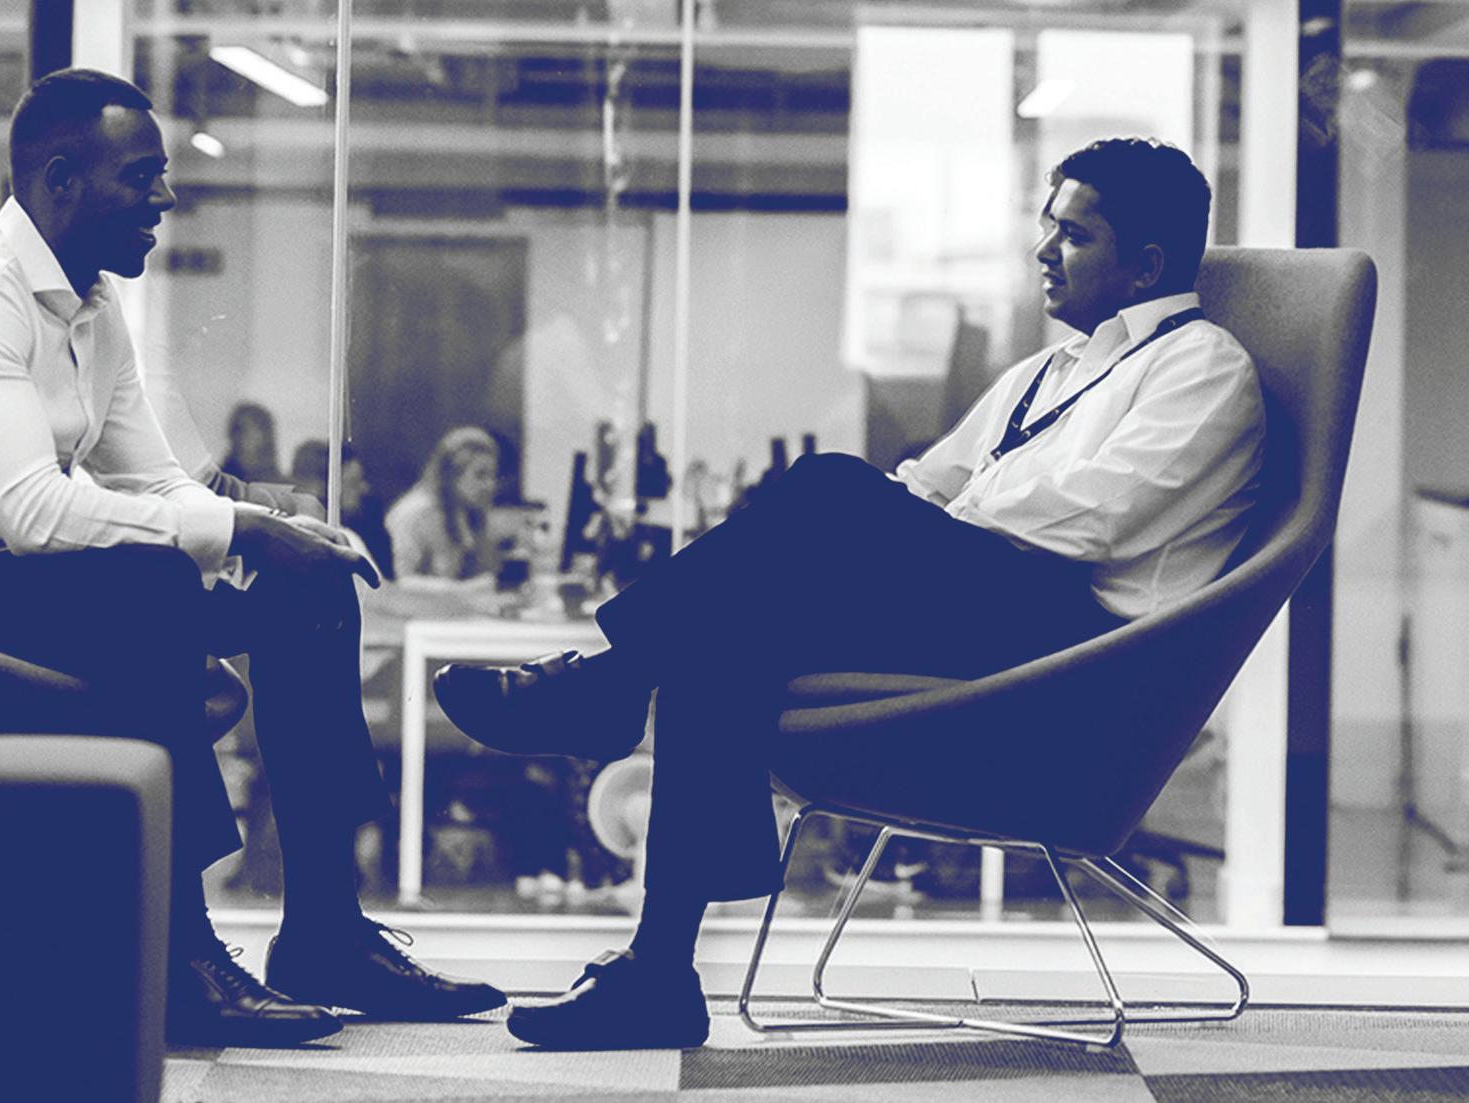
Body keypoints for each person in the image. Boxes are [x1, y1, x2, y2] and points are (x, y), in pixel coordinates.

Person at [434, 137, 1265, 1050]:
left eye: (1074, 235)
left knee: (830, 485)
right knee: (724, 637)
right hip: (996, 606)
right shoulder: (1046, 373)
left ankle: (606, 683)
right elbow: (925, 482)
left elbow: (1092, 520)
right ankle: (660, 970)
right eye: (1047, 228)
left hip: (1079, 649)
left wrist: (921, 517)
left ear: (1146, 264)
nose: (1044, 251)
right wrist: (905, 520)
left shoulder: (1203, 368)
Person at [0, 68, 505, 1048]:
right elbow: (34, 510)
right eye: (141, 176)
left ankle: (326, 930)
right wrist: (236, 530)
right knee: (147, 582)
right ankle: (180, 956)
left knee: (306, 584)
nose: (165, 197)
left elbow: (156, 482)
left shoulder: (90, 305)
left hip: (13, 582)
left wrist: (273, 529)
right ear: (61, 182)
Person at [386, 425, 503, 581]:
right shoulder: (416, 513)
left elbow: (485, 573)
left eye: (493, 476)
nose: (490, 485)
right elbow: (401, 581)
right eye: (480, 475)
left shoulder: (465, 510)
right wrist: (464, 590)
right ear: (452, 474)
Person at [291, 438, 394, 580]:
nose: (364, 488)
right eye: (354, 482)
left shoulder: (366, 531)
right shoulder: (343, 540)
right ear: (322, 487)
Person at [222, 401, 286, 484]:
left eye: (248, 429)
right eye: (237, 429)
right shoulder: (216, 481)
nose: (240, 436)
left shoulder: (279, 485)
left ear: (265, 436)